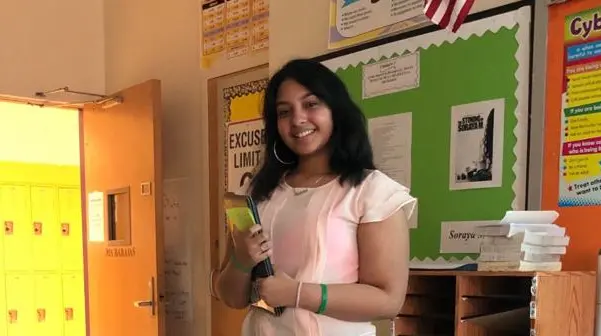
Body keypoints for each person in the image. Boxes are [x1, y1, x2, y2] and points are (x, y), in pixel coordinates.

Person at [215, 58, 416, 336]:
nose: (297, 120)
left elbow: (388, 300)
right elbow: (231, 297)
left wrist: (298, 293)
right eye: (284, 112)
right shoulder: (258, 193)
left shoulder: (373, 192)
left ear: (336, 110)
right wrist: (241, 261)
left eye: (311, 104)